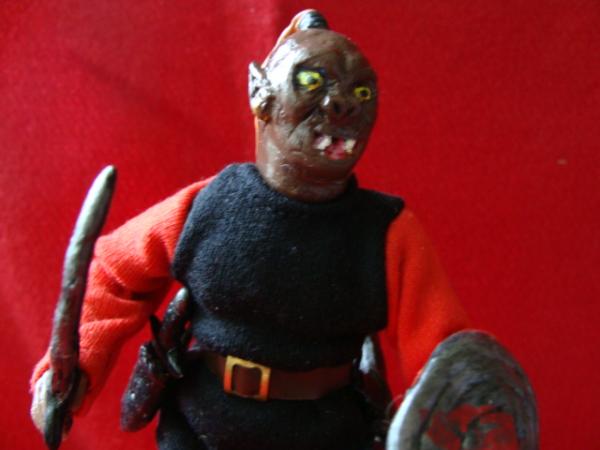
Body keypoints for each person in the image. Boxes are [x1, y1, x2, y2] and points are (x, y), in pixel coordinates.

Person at [31, 10, 474, 450]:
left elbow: (445, 356)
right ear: (260, 93)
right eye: (311, 81)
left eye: (362, 90)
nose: (344, 103)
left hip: (332, 434)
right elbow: (115, 274)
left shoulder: (388, 233)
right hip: (199, 429)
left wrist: (459, 422)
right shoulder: (205, 207)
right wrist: (73, 368)